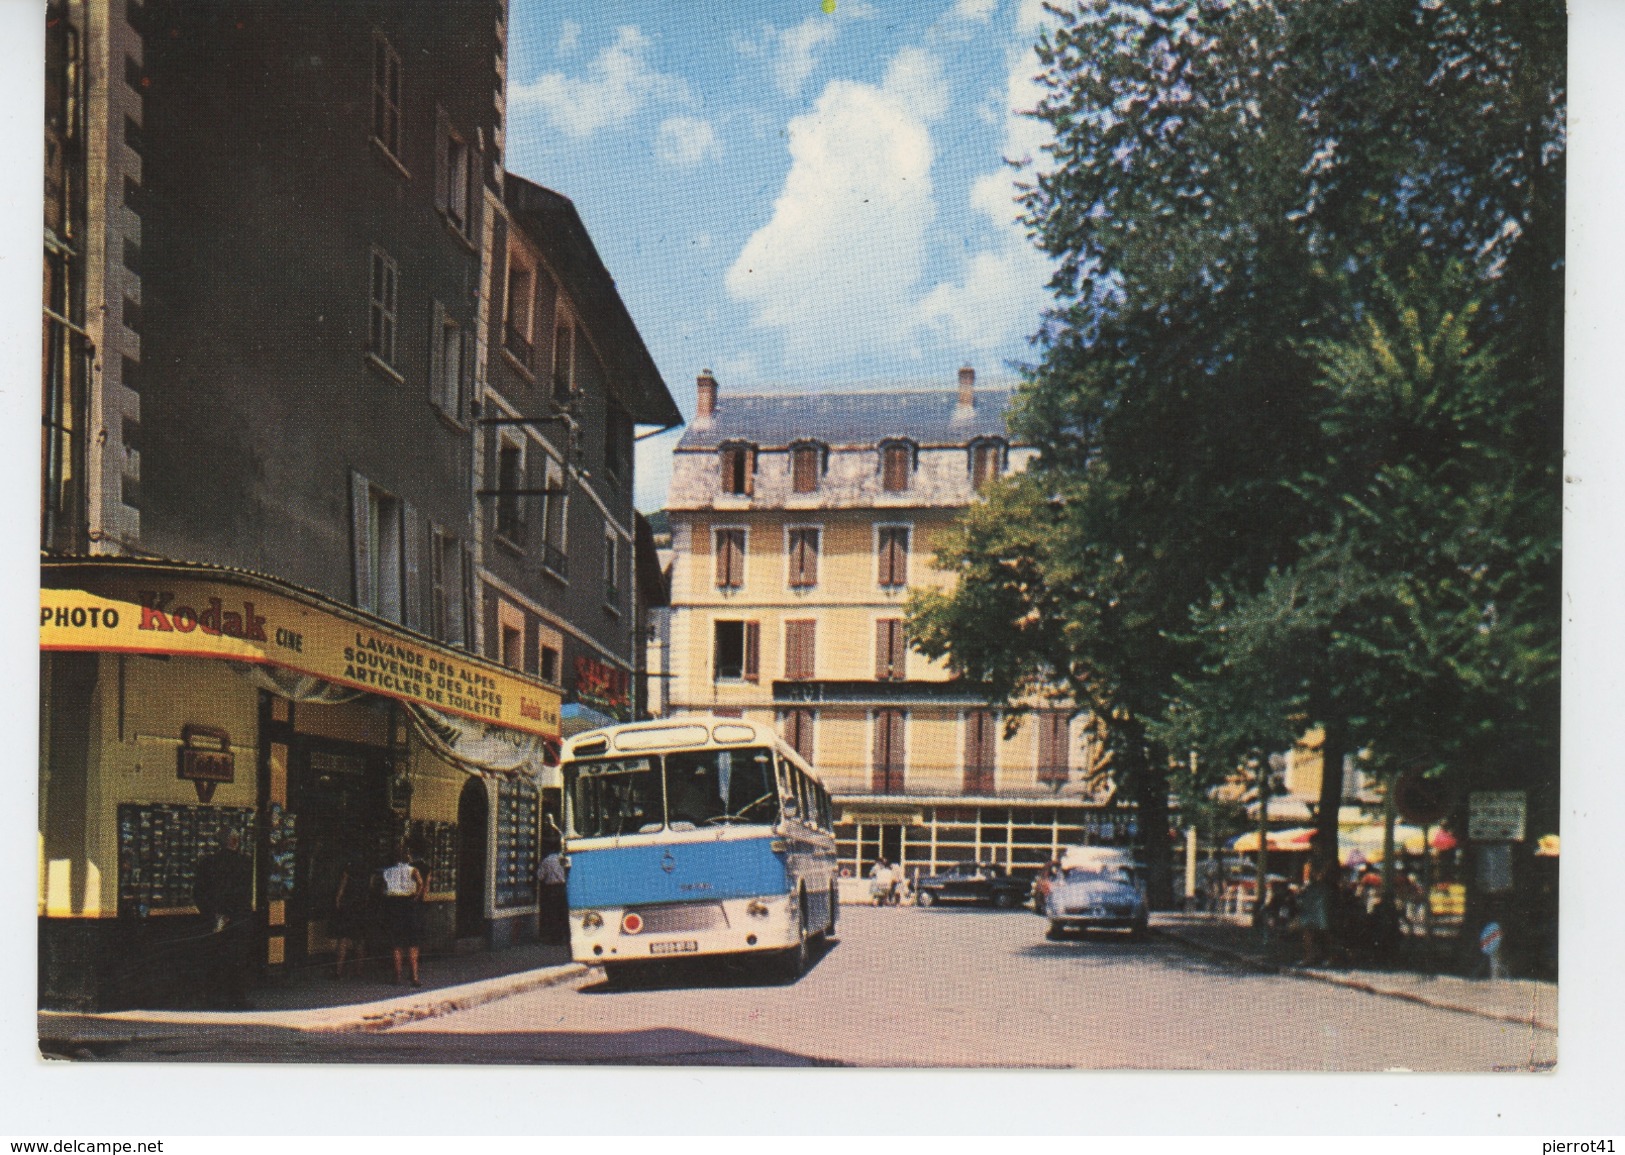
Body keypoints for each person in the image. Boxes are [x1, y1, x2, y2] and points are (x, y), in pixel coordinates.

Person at [194, 828, 255, 1009]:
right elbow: (244, 893)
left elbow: (198, 893)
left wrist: (212, 913)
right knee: (238, 959)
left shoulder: (207, 863)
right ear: (235, 841)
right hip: (238, 918)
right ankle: (237, 998)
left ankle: (212, 998)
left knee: (215, 957)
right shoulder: (244, 863)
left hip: (216, 918)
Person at [380, 844, 426, 987]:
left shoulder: (387, 872)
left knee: (397, 944)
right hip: (409, 905)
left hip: (394, 906)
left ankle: (397, 976)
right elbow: (420, 883)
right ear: (407, 856)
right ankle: (414, 976)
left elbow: (383, 889)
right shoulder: (413, 870)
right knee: (413, 943)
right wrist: (416, 897)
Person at [332, 857, 370, 978]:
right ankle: (359, 971)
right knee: (359, 940)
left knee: (342, 939)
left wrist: (338, 902)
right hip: (361, 906)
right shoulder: (367, 872)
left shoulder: (348, 870)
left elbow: (341, 890)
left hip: (347, 906)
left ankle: (338, 971)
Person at [536, 839, 568, 945]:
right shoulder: (563, 859)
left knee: (553, 914)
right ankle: (565, 937)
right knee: (563, 913)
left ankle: (555, 938)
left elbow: (540, 876)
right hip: (563, 888)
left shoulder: (546, 861)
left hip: (552, 889)